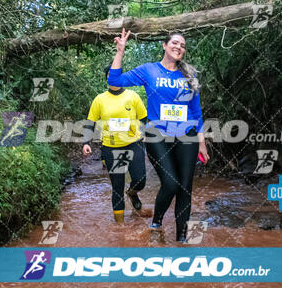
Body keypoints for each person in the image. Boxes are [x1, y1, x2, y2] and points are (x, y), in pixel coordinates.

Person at [108, 28, 210, 241]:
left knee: (185, 187)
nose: (178, 47)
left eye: (182, 45)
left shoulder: (189, 75)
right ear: (164, 45)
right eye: (174, 43)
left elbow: (196, 111)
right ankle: (157, 221)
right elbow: (115, 82)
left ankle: (182, 237)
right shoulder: (149, 70)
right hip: (158, 136)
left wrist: (201, 142)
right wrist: (120, 52)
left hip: (187, 136)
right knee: (171, 183)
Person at [82, 66, 148, 223]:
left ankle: (132, 192)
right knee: (117, 186)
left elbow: (144, 118)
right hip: (112, 148)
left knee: (140, 180)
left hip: (134, 144)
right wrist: (86, 142)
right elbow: (90, 122)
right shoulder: (100, 99)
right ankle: (120, 227)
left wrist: (146, 133)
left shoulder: (132, 96)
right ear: (107, 78)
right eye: (111, 75)